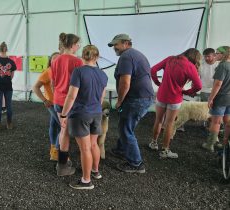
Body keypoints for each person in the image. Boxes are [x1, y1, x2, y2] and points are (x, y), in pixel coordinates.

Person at [60, 45, 107, 190]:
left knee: (85, 149)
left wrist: (63, 114)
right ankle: (95, 171)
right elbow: (101, 97)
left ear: (83, 56)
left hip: (81, 114)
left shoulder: (78, 72)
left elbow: (72, 95)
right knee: (93, 145)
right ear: (97, 57)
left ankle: (86, 181)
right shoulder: (103, 75)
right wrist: (95, 109)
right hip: (96, 113)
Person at [108, 34, 154, 173]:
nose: (114, 48)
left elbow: (125, 82)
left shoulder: (126, 56)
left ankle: (136, 164)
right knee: (126, 125)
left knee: (125, 129)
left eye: (116, 45)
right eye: (113, 45)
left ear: (126, 43)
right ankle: (121, 150)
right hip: (142, 97)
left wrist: (119, 101)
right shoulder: (136, 54)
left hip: (136, 99)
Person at [149, 48, 202, 158]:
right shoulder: (190, 66)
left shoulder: (170, 59)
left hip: (161, 95)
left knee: (158, 120)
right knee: (169, 124)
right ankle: (165, 151)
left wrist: (158, 83)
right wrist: (187, 92)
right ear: (195, 58)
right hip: (175, 98)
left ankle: (153, 143)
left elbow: (153, 70)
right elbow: (198, 86)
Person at [51, 33, 83, 176]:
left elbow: (53, 82)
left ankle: (62, 163)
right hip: (71, 102)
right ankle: (63, 165)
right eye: (77, 44)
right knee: (71, 133)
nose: (78, 47)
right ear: (72, 45)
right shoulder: (77, 62)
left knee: (63, 131)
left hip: (58, 99)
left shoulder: (55, 60)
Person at [33, 52, 61, 161]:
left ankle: (53, 149)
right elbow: (35, 87)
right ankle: (56, 151)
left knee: (54, 125)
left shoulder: (62, 72)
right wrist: (44, 100)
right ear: (50, 61)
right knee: (63, 128)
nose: (57, 61)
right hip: (52, 104)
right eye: (54, 59)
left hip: (59, 104)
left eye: (59, 59)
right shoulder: (47, 72)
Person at [202, 46, 230, 152]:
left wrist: (210, 98)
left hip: (221, 98)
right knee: (228, 122)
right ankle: (225, 144)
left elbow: (218, 84)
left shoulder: (222, 66)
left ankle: (210, 144)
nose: (215, 55)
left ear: (223, 54)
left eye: (217, 53)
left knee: (216, 122)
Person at [0, 42, 17, 130]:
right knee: (9, 105)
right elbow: (12, 75)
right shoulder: (11, 62)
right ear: (6, 49)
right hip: (8, 86)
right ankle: (9, 123)